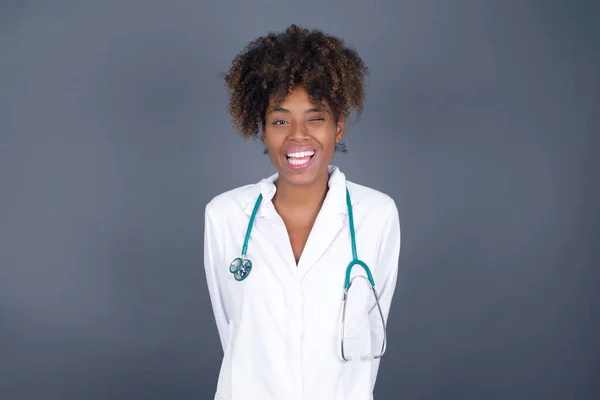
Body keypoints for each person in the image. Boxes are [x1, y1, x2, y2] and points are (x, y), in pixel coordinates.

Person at [203, 24, 401, 400]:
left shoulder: (376, 215)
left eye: (316, 118)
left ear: (338, 128)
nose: (297, 135)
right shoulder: (225, 216)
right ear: (262, 131)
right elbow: (234, 334)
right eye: (280, 121)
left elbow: (370, 341)